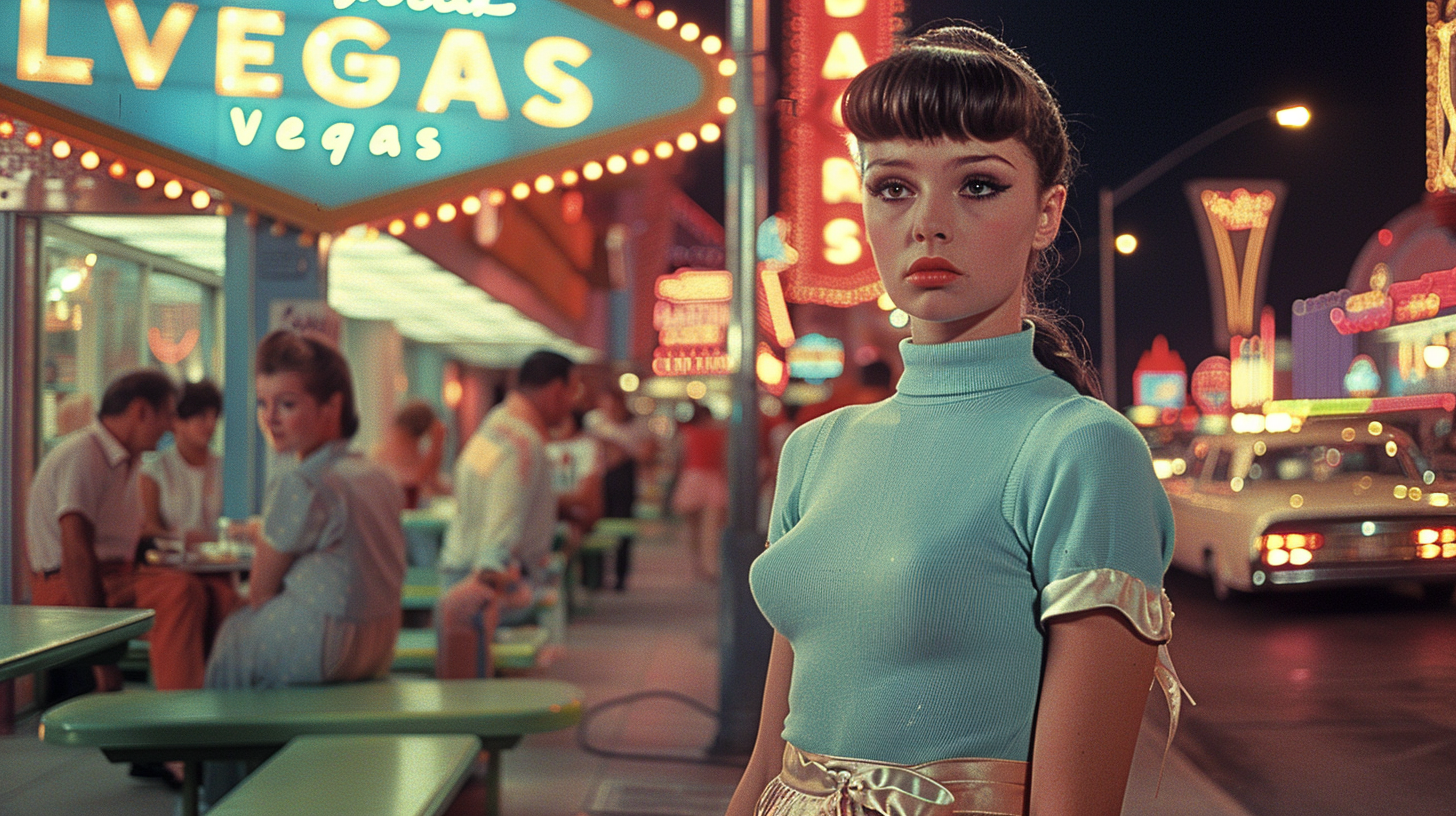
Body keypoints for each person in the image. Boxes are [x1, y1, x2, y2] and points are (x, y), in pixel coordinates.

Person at [727, 24, 1179, 816]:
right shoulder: (815, 449)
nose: (928, 223)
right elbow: (769, 759)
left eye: (977, 185)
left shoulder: (1081, 450)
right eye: (892, 187)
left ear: (1047, 212)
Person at [204, 331, 406, 691]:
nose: (270, 418)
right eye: (262, 404)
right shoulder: (379, 475)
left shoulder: (302, 482)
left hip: (325, 642)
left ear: (332, 406)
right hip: (381, 641)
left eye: (287, 404)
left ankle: (209, 726)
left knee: (233, 633)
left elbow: (260, 592)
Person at [26, 370, 210, 692]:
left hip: (114, 577)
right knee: (179, 592)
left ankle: (216, 701)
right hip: (66, 588)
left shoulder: (127, 460)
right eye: (168, 414)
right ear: (141, 411)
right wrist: (102, 660)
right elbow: (77, 556)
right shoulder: (84, 454)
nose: (171, 426)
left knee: (218, 594)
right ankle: (181, 710)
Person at [435, 350, 578, 678]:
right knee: (480, 693)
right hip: (484, 588)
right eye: (573, 391)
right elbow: (501, 529)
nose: (572, 403)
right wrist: (499, 585)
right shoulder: (523, 444)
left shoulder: (493, 428)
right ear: (557, 390)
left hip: (457, 574)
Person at [138, 378, 239, 653]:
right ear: (177, 422)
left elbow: (236, 524)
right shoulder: (156, 469)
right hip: (175, 568)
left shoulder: (224, 466)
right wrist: (182, 537)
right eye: (200, 416)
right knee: (194, 601)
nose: (210, 424)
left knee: (228, 603)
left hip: (219, 567)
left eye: (214, 416)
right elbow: (148, 529)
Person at [584, 387, 656, 590]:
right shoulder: (594, 421)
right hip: (599, 478)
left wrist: (621, 450)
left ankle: (620, 575)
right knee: (596, 525)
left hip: (624, 478)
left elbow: (647, 452)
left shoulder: (635, 424)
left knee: (623, 526)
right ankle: (594, 576)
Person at [670, 401, 728, 582]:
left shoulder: (687, 433)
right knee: (711, 530)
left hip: (692, 479)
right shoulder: (721, 433)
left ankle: (696, 566)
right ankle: (710, 567)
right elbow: (725, 460)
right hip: (714, 480)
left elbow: (679, 460)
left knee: (692, 529)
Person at [370, 398, 449, 509]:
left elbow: (431, 481)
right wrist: (437, 444)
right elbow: (413, 481)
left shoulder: (413, 450)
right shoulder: (386, 451)